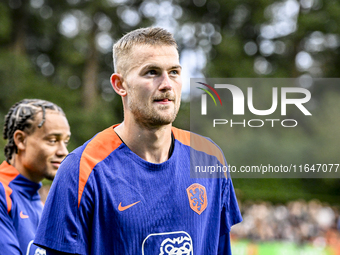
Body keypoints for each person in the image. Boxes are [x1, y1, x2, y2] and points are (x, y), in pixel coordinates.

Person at [34, 27, 242, 254]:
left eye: (174, 72)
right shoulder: (81, 169)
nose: (166, 84)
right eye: (152, 72)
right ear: (120, 84)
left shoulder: (209, 157)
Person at [0, 99, 71, 255]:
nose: (63, 151)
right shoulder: (3, 193)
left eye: (65, 142)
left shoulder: (42, 205)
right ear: (21, 140)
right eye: (53, 141)